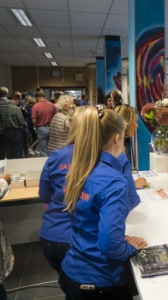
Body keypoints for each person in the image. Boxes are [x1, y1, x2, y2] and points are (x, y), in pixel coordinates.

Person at [39, 106, 141, 275]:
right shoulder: (113, 168)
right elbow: (128, 202)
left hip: (54, 235)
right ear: (116, 138)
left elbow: (45, 196)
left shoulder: (61, 157)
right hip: (89, 245)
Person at [58, 106, 146, 299]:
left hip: (73, 270)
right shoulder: (114, 181)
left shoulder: (79, 169)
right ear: (116, 138)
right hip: (100, 282)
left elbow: (88, 219)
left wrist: (118, 238)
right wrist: (130, 248)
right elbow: (109, 246)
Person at [114, 104, 148, 189]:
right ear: (126, 123)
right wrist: (132, 185)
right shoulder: (115, 151)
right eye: (134, 121)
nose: (137, 125)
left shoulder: (120, 148)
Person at [0, 91, 26, 159]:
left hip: (6, 132)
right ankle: (17, 167)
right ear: (17, 100)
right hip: (16, 132)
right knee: (17, 152)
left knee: (9, 152)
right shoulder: (16, 109)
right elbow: (21, 122)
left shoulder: (2, 109)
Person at [32, 91, 57, 156]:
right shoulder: (52, 105)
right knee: (52, 148)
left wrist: (36, 124)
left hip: (41, 129)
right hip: (52, 128)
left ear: (37, 98)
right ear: (44, 97)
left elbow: (34, 121)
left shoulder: (35, 106)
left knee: (43, 150)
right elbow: (56, 116)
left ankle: (45, 163)